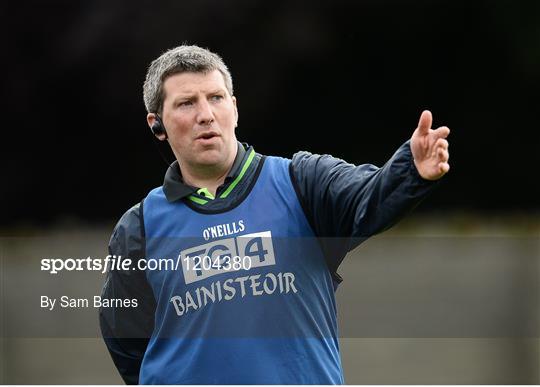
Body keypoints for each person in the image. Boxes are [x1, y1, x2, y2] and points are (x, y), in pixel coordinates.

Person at [99, 44, 450, 384]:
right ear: (156, 124)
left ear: (234, 108)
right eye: (187, 103)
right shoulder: (140, 229)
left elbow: (368, 198)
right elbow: (127, 341)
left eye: (216, 98)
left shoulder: (301, 183)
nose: (205, 114)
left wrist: (410, 171)